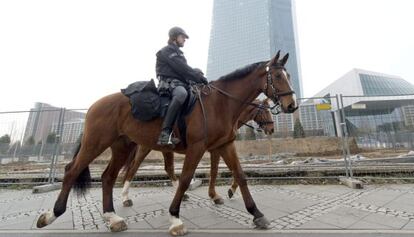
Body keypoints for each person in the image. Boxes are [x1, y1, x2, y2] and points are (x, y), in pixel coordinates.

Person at [156, 26, 208, 146]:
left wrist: (197, 78)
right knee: (181, 94)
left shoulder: (178, 53)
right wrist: (198, 77)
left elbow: (184, 72)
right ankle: (165, 133)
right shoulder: (167, 51)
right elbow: (183, 69)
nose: (184, 39)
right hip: (169, 83)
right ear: (174, 37)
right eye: (182, 37)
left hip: (180, 83)